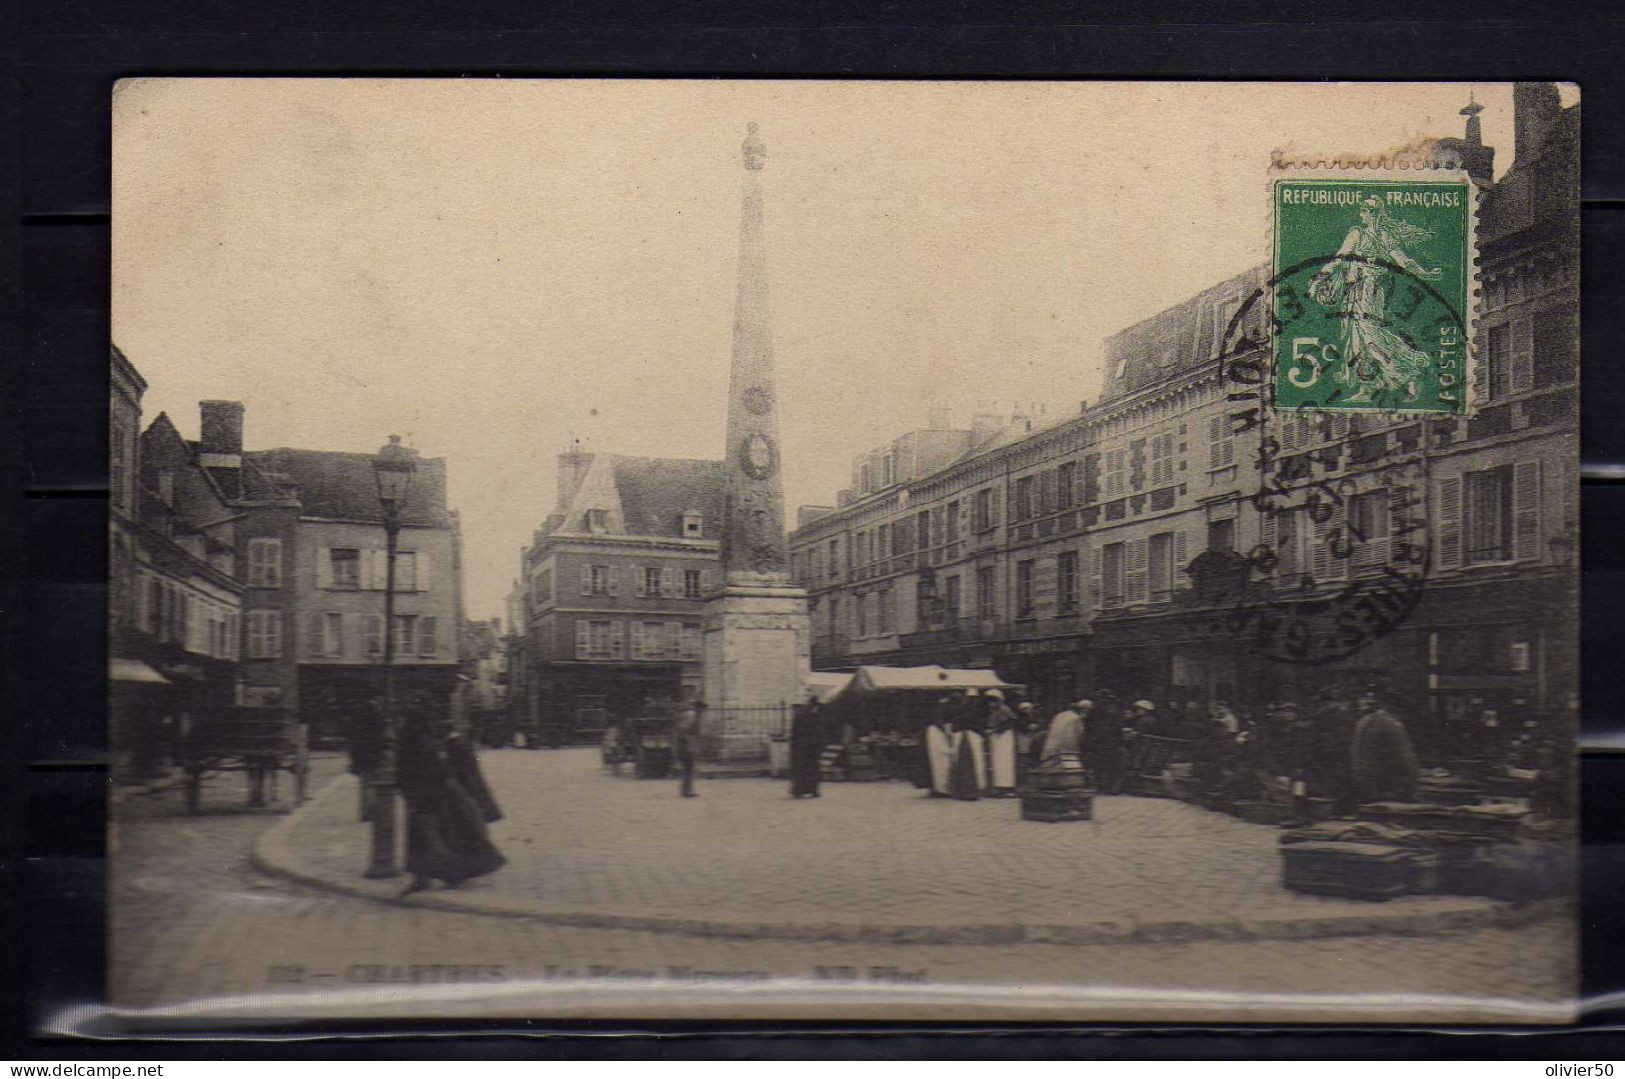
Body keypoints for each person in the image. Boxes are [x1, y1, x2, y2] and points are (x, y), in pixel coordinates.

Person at [398, 710, 506, 895]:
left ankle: (439, 874)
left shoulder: (417, 741)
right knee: (434, 836)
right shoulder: (427, 740)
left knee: (428, 837)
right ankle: (441, 874)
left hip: (424, 795)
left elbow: (427, 768)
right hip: (430, 794)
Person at [1350, 686, 1422, 806]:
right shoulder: (1391, 724)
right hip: (1389, 791)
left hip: (1364, 785)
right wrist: (1413, 787)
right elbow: (1406, 760)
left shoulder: (1363, 721)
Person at [985, 689, 1019, 797]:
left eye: (992, 700)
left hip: (1004, 737)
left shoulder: (1004, 710)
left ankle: (1006, 787)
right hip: (997, 737)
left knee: (1005, 762)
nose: (990, 703)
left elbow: (1010, 722)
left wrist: (996, 730)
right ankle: (999, 787)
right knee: (997, 762)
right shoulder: (993, 711)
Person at [788, 696, 824, 799]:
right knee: (812, 769)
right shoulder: (815, 716)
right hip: (811, 747)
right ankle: (812, 790)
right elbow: (819, 733)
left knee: (801, 770)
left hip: (801, 747)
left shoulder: (799, 716)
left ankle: (799, 791)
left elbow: (794, 734)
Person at [922, 695, 956, 797]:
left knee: (938, 762)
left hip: (935, 733)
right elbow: (939, 721)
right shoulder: (945, 706)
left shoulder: (938, 706)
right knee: (941, 761)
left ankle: (938, 788)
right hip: (937, 734)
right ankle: (942, 789)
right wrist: (946, 731)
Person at [1039, 698, 1088, 768]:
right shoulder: (1076, 718)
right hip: (1065, 755)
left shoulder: (1059, 715)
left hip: (1048, 752)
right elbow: (1080, 736)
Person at [672, 701, 703, 797]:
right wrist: (691, 746)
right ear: (698, 708)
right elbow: (685, 730)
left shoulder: (693, 715)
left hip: (688, 743)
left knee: (689, 768)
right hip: (686, 744)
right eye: (702, 709)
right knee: (688, 767)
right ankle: (686, 791)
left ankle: (687, 790)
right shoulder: (691, 715)